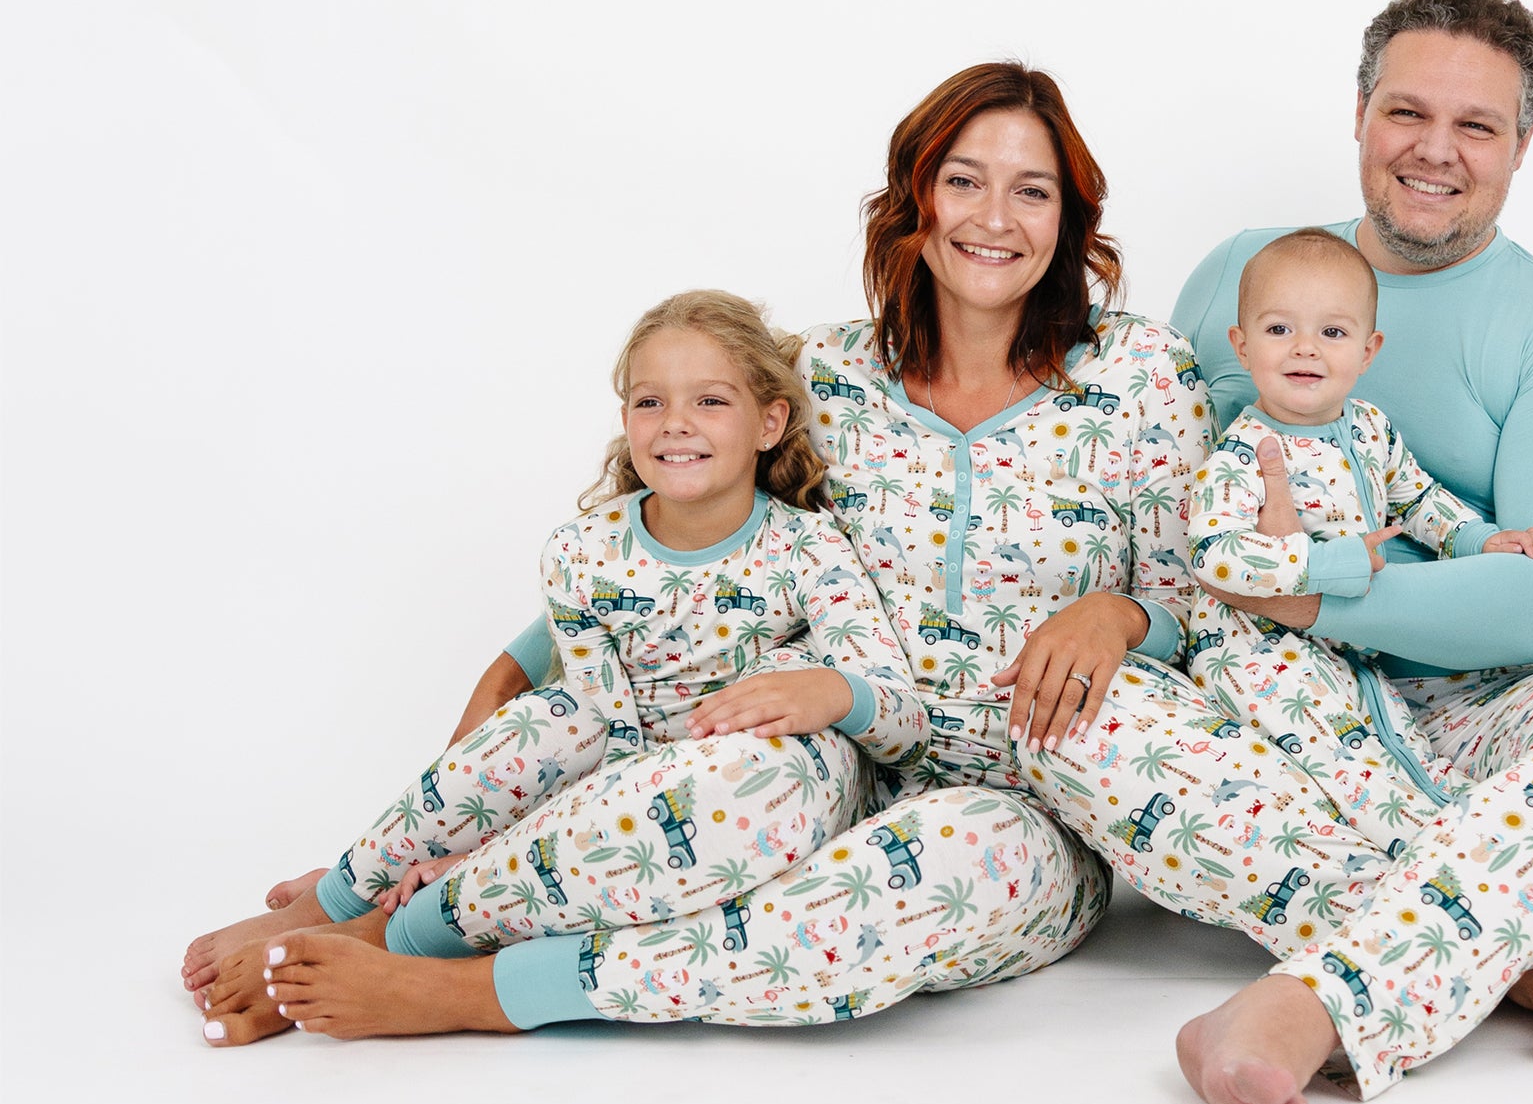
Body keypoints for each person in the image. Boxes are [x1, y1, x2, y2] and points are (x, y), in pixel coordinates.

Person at [1012, 0, 1533, 1104]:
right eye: (1404, 109)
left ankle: (1290, 1012)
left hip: (1459, 715)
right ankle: (1514, 950)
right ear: (1356, 114)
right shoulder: (1244, 272)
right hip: (1249, 705)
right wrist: (1130, 610)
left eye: (1475, 125)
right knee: (1058, 713)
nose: (1432, 149)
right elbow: (1162, 497)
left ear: (1520, 146)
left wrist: (1314, 593)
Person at [189, 290, 970, 1041]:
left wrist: (831, 690)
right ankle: (333, 902)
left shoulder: (811, 549)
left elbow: (904, 721)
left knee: (747, 779)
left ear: (770, 422)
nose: (676, 425)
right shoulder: (581, 554)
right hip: (619, 780)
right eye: (649, 401)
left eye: (710, 401)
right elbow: (601, 727)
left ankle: (412, 930)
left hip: (748, 784)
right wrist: (477, 838)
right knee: (543, 718)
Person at [1185, 224, 1533, 834]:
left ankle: (1465, 836)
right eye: (1280, 330)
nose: (1305, 349)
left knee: (1395, 742)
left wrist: (1481, 540)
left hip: (1345, 649)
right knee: (1348, 769)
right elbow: (1212, 554)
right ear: (1243, 346)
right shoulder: (1245, 451)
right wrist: (1333, 564)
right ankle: (1440, 851)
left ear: (1367, 350)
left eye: (1332, 333)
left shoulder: (1369, 428)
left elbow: (1417, 498)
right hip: (1254, 653)